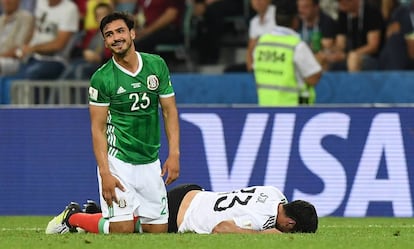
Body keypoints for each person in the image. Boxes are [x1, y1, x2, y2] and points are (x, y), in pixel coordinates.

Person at [46, 11, 180, 234]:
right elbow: (97, 129)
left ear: (132, 33)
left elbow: (169, 111)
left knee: (156, 231)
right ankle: (74, 219)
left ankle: (105, 214)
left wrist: (174, 154)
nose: (116, 37)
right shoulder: (102, 78)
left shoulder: (156, 65)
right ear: (105, 41)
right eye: (109, 34)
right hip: (119, 161)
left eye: (120, 31)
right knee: (122, 229)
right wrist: (105, 173)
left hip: (149, 161)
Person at [45, 184, 318, 234]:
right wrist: (263, 235)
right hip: (179, 216)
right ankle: (75, 218)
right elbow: (222, 229)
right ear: (290, 224)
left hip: (191, 193)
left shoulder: (274, 193)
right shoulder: (261, 221)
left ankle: (93, 211)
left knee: (129, 222)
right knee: (124, 231)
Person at [253, 0, 322, 106]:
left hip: (265, 107)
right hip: (293, 110)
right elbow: (313, 77)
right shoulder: (296, 45)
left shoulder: (261, 43)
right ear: (295, 20)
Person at [14, 0, 80, 79]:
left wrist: (33, 49)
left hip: (55, 60)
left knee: (30, 75)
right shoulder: (40, 2)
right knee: (10, 77)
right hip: (32, 57)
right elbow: (34, 29)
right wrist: (24, 47)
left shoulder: (70, 9)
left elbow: (59, 44)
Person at [326, 0, 385, 72]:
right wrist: (330, 50)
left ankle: (353, 83)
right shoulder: (343, 13)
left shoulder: (371, 11)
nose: (340, 5)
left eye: (342, 1)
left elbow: (373, 46)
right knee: (323, 59)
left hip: (370, 58)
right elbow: (341, 44)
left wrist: (348, 55)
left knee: (353, 58)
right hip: (348, 56)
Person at [60, 2, 113, 79]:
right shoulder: (89, 33)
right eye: (99, 16)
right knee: (69, 67)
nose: (102, 18)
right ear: (96, 18)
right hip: (86, 61)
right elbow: (74, 51)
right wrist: (84, 53)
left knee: (80, 69)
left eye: (104, 14)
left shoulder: (117, 35)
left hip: (105, 65)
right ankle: (59, 91)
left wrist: (100, 59)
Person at [296, 0, 337, 71]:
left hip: (318, 56)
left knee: (321, 57)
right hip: (300, 55)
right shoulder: (296, 21)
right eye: (299, 7)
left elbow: (328, 45)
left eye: (305, 7)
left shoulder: (327, 22)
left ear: (316, 7)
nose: (301, 10)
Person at [0, 0, 34, 76]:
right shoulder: (1, 20)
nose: (7, 2)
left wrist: (2, 56)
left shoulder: (26, 18)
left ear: (18, 1)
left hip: (15, 60)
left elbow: (19, 47)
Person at [379, 0, 414, 70]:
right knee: (395, 40)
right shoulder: (401, 12)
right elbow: (390, 35)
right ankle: (396, 77)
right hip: (403, 52)